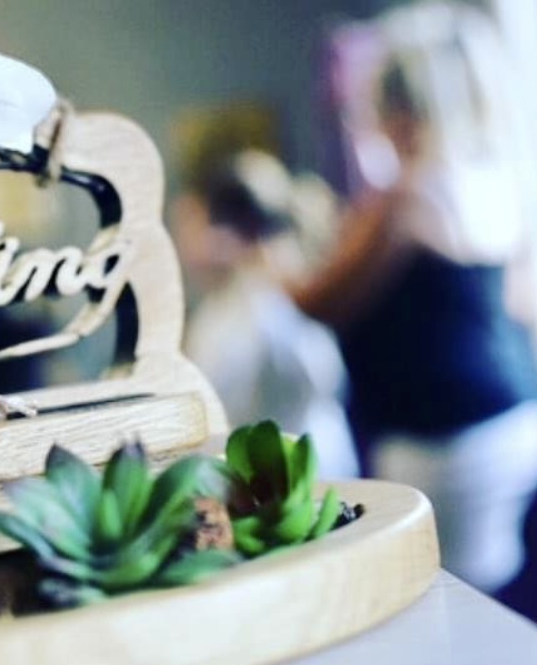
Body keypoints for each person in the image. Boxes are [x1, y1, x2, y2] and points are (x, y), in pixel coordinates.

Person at [288, 1, 537, 593]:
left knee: (446, 601)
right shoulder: (492, 183)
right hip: (512, 416)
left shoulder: (407, 197)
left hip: (443, 442)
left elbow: (318, 301)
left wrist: (269, 267)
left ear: (401, 108)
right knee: (500, 594)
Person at [182, 149, 360, 480]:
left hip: (289, 471)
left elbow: (214, 404)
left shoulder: (251, 308)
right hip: (326, 454)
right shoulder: (298, 283)